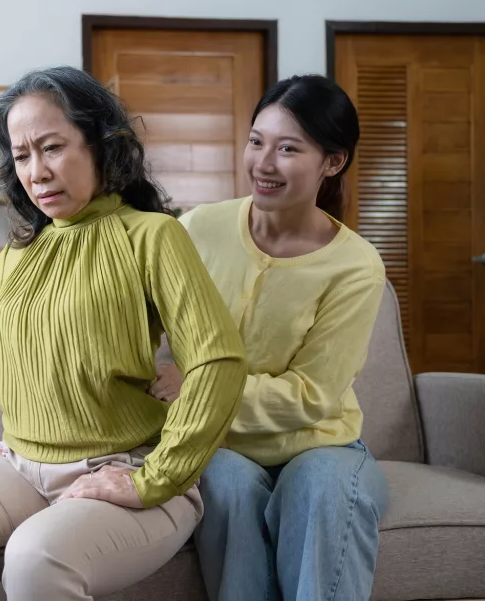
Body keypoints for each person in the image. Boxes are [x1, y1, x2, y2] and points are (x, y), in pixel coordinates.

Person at [0, 66, 249, 601]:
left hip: (128, 464)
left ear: (101, 144)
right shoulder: (18, 255)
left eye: (52, 147)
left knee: (36, 558)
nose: (36, 171)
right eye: (21, 155)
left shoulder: (153, 236)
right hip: (20, 466)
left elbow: (217, 364)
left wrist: (155, 478)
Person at [148, 75, 390, 601]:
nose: (263, 162)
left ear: (333, 162)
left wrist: (198, 387)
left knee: (321, 488)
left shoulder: (356, 266)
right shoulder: (196, 229)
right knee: (225, 482)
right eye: (257, 141)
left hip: (321, 443)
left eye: (287, 149)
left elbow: (313, 394)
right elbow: (140, 322)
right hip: (218, 442)